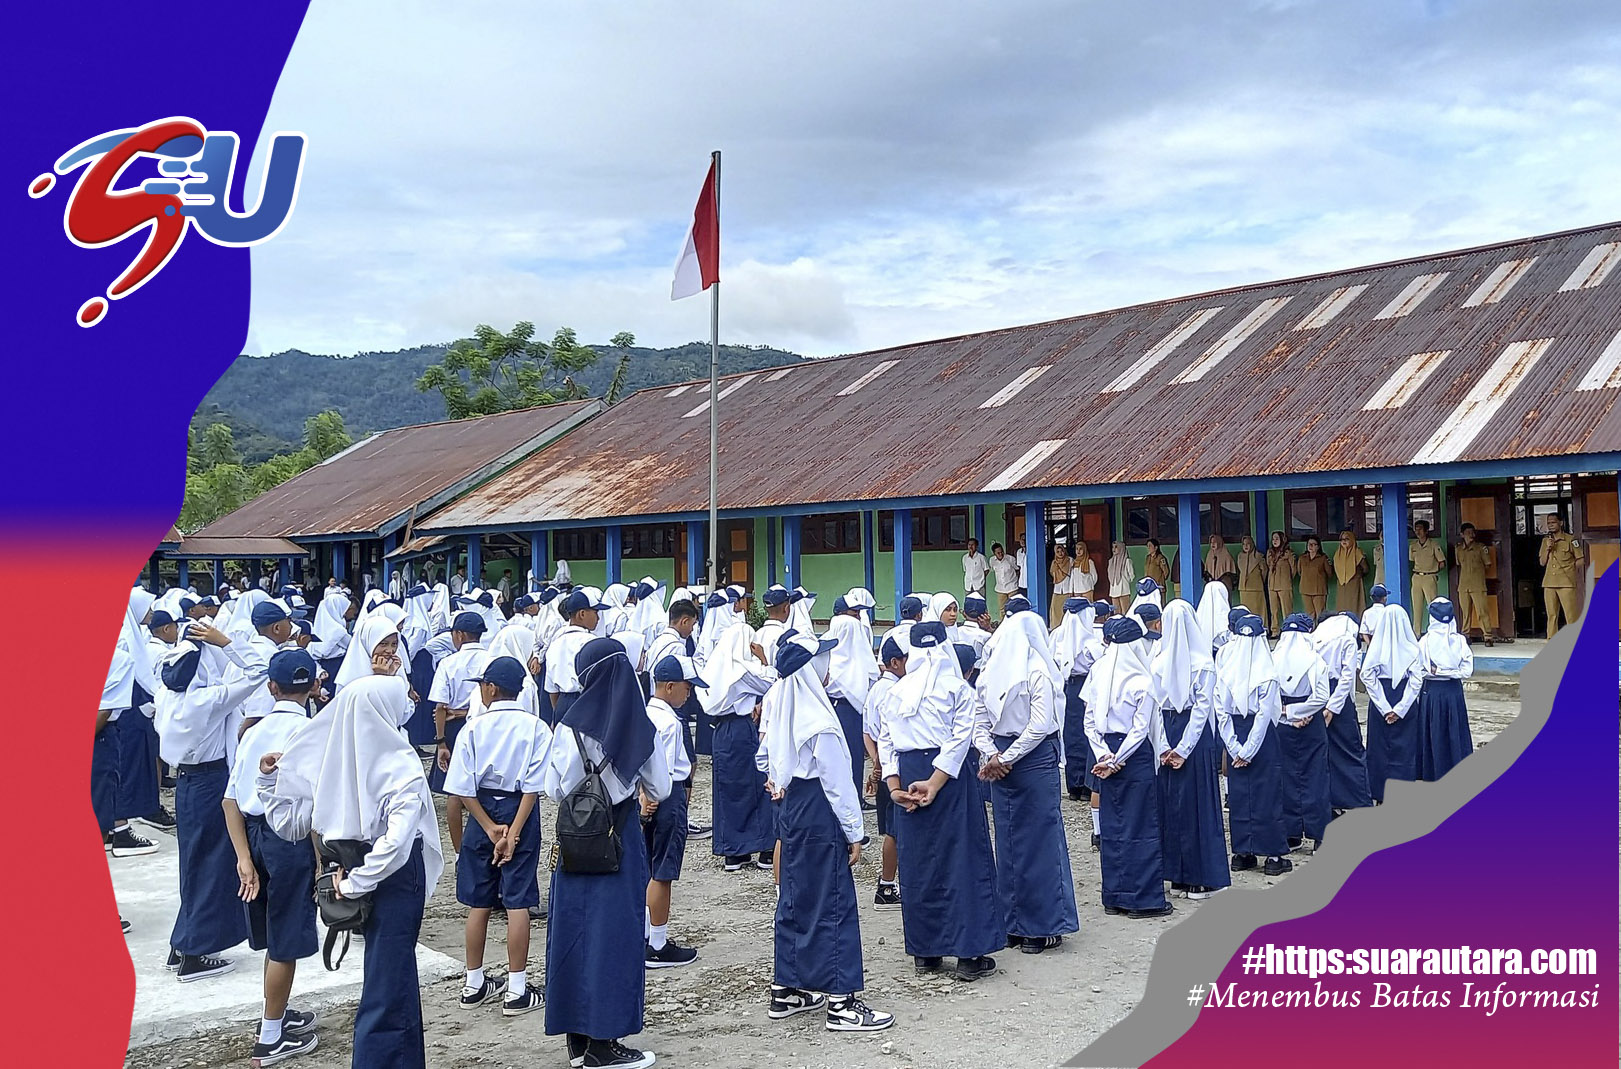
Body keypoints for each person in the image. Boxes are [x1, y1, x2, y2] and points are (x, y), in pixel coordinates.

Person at [260, 673, 443, 1069]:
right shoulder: (399, 761)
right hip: (390, 877)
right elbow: (395, 843)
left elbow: (289, 825)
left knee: (392, 978)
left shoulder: (337, 759)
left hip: (360, 869)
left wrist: (266, 779)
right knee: (387, 984)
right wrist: (357, 884)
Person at [544, 637, 671, 1069]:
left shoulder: (568, 723)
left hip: (576, 837)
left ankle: (577, 1039)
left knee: (571, 935)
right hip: (619, 837)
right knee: (614, 938)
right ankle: (605, 1043)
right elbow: (662, 787)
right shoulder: (638, 724)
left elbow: (553, 787)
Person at [759, 635, 895, 1032]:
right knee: (833, 900)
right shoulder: (819, 719)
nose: (829, 666)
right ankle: (842, 1000)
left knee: (794, 896)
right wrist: (856, 832)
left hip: (792, 807)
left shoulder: (783, 704)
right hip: (819, 810)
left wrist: (777, 781)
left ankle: (786, 987)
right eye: (823, 659)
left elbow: (765, 755)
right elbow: (837, 783)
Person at [877, 621, 1001, 980]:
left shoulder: (896, 692)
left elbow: (887, 742)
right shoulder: (957, 689)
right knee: (962, 860)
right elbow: (960, 739)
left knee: (919, 863)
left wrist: (895, 785)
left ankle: (925, 951)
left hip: (908, 775)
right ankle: (968, 954)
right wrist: (934, 782)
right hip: (947, 778)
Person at [221, 649, 322, 1064]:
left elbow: (230, 801)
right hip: (290, 842)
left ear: (271, 687)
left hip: (254, 837)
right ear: (313, 687)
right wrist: (323, 861)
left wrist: (243, 858)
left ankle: (275, 1015)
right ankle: (270, 1036)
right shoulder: (313, 731)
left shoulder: (253, 732)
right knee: (286, 940)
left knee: (274, 934)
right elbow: (317, 808)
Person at [154, 620, 269, 980]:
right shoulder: (207, 699)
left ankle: (182, 941)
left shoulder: (167, 696)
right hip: (210, 781)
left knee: (192, 863)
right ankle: (195, 952)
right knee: (212, 866)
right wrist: (225, 642)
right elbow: (259, 670)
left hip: (187, 782)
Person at [443, 655, 549, 1016]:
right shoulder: (536, 727)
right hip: (520, 809)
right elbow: (534, 787)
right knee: (518, 899)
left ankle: (474, 983)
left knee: (480, 902)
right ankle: (516, 989)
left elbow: (460, 788)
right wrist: (513, 832)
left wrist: (489, 827)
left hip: (483, 811)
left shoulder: (473, 728)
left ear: (490, 688)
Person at [975, 610, 1079, 952]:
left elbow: (979, 720)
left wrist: (996, 756)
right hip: (1027, 757)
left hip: (1006, 758)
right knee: (1024, 841)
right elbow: (1040, 724)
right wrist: (998, 756)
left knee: (1020, 841)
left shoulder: (991, 672)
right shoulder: (1038, 671)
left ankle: (1027, 923)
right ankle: (1029, 924)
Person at [1083, 616, 1172, 918]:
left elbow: (1089, 722)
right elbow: (1140, 728)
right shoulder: (1142, 680)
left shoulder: (1098, 672)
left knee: (1113, 825)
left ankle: (1114, 895)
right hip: (1131, 757)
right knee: (1140, 825)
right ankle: (1142, 899)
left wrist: (1103, 755)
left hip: (1105, 752)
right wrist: (1119, 758)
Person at [1152, 600, 1228, 900]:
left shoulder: (1157, 661)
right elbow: (1201, 710)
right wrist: (1182, 749)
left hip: (1169, 733)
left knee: (1173, 805)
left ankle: (1179, 874)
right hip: (1192, 741)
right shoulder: (1204, 664)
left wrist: (1163, 746)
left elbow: (1155, 708)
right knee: (1196, 805)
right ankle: (1200, 877)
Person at [1214, 614, 1292, 877]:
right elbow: (1264, 714)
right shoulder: (1266, 673)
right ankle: (1272, 855)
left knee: (1240, 794)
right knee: (1267, 793)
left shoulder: (1227, 672)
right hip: (1261, 740)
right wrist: (1249, 749)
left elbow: (1221, 712)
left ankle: (1242, 852)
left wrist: (1235, 747)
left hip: (1235, 733)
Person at [699, 622, 777, 872]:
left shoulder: (715, 670)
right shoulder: (742, 672)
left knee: (728, 788)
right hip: (742, 728)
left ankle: (733, 851)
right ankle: (765, 847)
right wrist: (764, 659)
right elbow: (773, 683)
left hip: (721, 730)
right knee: (756, 784)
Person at [644, 656, 702, 969]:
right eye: (687, 686)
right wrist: (654, 797)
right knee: (663, 871)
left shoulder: (642, 713)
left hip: (642, 797)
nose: (689, 693)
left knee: (645, 866)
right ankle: (657, 942)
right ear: (669, 686)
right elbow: (663, 771)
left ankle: (641, 934)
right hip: (667, 796)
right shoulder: (669, 722)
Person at [1273, 615, 1331, 854]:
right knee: (1315, 776)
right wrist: (1302, 713)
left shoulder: (1271, 660)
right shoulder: (1315, 661)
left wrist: (1287, 714)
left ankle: (1291, 833)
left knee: (1286, 776)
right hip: (1311, 720)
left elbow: (1268, 695)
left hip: (1283, 722)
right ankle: (1318, 834)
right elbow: (1321, 696)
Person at [862, 638, 908, 911]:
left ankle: (890, 883)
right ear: (895, 662)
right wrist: (883, 765)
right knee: (895, 830)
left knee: (891, 829)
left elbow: (867, 732)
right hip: (896, 768)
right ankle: (887, 886)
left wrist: (876, 763)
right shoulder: (895, 690)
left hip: (883, 764)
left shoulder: (876, 689)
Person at [1361, 607, 1424, 804]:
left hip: (1382, 696)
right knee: (1405, 747)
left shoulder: (1376, 649)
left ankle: (1380, 793)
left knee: (1380, 747)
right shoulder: (1413, 649)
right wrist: (1400, 708)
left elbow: (1367, 677)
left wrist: (1384, 707)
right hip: (1404, 697)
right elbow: (1416, 681)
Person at [1312, 612, 1373, 814]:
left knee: (1328, 750)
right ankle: (1358, 801)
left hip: (1318, 695)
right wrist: (1333, 707)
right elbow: (1347, 678)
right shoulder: (1347, 639)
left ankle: (1334, 800)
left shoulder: (1317, 636)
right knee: (1350, 748)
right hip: (1337, 697)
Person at [1416, 599, 1474, 781]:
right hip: (1452, 690)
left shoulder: (1424, 642)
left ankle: (1434, 771)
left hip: (1432, 692)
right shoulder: (1459, 641)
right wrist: (1451, 672)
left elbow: (1419, 670)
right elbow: (1466, 671)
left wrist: (1438, 671)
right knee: (1454, 728)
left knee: (1435, 730)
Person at [1050, 596, 1094, 802]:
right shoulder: (1091, 639)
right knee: (1086, 733)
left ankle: (1074, 784)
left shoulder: (1058, 635)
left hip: (1067, 685)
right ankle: (1085, 784)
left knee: (1071, 733)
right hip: (1086, 684)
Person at [545, 589, 609, 724]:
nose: (598, 618)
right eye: (596, 612)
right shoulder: (592, 643)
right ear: (582, 614)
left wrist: (559, 711)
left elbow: (552, 690)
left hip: (562, 703)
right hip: (588, 704)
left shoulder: (555, 644)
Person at [1539, 515, 1584, 637]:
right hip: (1549, 582)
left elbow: (1580, 559)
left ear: (1561, 523)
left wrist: (1571, 570)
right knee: (1551, 615)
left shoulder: (1570, 540)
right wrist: (1548, 548)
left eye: (1553, 522)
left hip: (1566, 583)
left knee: (1570, 615)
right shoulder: (1545, 541)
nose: (1551, 525)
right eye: (1549, 523)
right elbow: (1542, 562)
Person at [1454, 523, 1495, 646]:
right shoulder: (1458, 549)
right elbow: (1458, 564)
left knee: (1482, 611)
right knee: (1465, 613)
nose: (1471, 535)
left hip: (1478, 585)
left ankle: (1487, 636)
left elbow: (1488, 564)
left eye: (1472, 532)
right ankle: (1465, 635)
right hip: (1463, 585)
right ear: (1462, 534)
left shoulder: (1480, 548)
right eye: (1468, 532)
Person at [1408, 521, 1447, 632]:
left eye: (1420, 529)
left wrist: (1434, 572)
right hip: (1416, 577)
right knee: (1417, 607)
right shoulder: (1413, 546)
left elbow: (1442, 562)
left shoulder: (1433, 545)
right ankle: (1417, 633)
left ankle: (1435, 631)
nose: (1417, 531)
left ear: (1426, 531)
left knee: (1433, 605)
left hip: (1429, 577)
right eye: (1416, 529)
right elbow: (1411, 561)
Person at [1264, 532, 1296, 638]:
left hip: (1284, 585)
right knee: (1274, 610)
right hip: (1272, 585)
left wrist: (1287, 579)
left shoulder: (1288, 553)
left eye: (1277, 538)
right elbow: (1268, 566)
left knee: (1287, 609)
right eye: (1273, 539)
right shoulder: (1270, 553)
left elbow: (1293, 569)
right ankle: (1275, 630)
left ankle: (1288, 629)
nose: (1275, 541)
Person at [1332, 529, 1368, 613]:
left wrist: (1358, 576)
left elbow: (1366, 569)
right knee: (1342, 607)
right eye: (1342, 539)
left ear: (1352, 540)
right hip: (1342, 585)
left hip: (1355, 583)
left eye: (1347, 539)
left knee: (1355, 606)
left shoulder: (1357, 552)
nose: (1344, 541)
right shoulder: (1337, 554)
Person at [1296, 536, 1332, 620]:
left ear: (1318, 546)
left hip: (1319, 590)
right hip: (1305, 589)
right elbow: (1299, 571)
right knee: (1309, 614)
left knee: (1320, 613)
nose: (1311, 546)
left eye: (1313, 544)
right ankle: (1311, 630)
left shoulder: (1323, 558)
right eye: (1309, 544)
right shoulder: (1302, 558)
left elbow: (1329, 573)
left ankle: (1320, 631)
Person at [1236, 535, 1266, 623]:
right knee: (1245, 610)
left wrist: (1259, 580)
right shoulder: (1240, 556)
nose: (1246, 546)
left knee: (1258, 609)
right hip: (1244, 588)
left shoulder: (1259, 556)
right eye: (1244, 544)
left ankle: (1261, 626)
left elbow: (1264, 570)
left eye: (1248, 544)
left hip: (1256, 587)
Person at [990, 543, 1019, 615]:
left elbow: (1017, 569)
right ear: (994, 553)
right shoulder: (992, 560)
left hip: (1012, 586)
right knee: (1002, 609)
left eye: (1001, 552)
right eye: (998, 553)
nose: (1001, 554)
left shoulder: (1010, 559)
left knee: (1013, 608)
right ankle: (1003, 624)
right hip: (1000, 588)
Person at [1106, 541, 1135, 612]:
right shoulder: (1111, 561)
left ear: (1121, 548)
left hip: (1123, 590)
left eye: (1116, 547)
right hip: (1113, 589)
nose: (1114, 549)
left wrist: (1125, 580)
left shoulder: (1127, 561)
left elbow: (1131, 576)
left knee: (1125, 611)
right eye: (1113, 547)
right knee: (1116, 611)